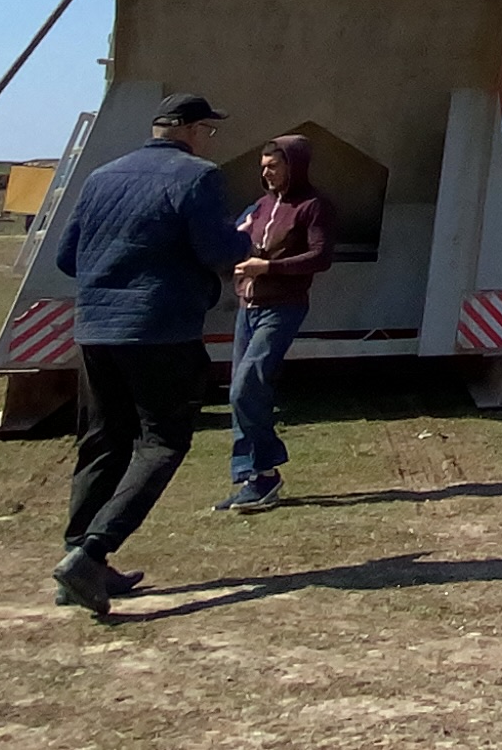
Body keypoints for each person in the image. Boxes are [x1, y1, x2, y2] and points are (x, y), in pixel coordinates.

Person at [46, 92, 239, 616]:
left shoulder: (102, 176)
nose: (209, 141)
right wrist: (244, 239)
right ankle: (93, 553)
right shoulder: (197, 178)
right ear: (191, 130)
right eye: (209, 131)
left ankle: (76, 562)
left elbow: (68, 257)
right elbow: (217, 251)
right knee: (162, 443)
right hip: (160, 331)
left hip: (94, 329)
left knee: (103, 441)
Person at [223, 135, 334, 513]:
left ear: (294, 165)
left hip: (282, 307)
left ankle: (267, 472)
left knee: (246, 385)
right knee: (241, 391)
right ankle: (250, 478)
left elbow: (320, 257)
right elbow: (236, 237)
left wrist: (268, 267)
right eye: (263, 167)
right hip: (248, 307)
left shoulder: (312, 206)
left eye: (274, 165)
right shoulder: (261, 205)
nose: (267, 173)